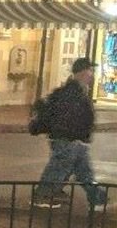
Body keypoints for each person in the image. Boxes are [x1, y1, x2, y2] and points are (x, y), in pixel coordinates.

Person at [34, 57, 107, 211]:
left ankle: (98, 198)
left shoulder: (76, 90)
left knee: (84, 170)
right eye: (90, 70)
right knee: (59, 168)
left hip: (74, 140)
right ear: (82, 72)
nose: (92, 74)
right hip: (68, 139)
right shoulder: (72, 92)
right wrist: (77, 134)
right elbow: (69, 117)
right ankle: (43, 196)